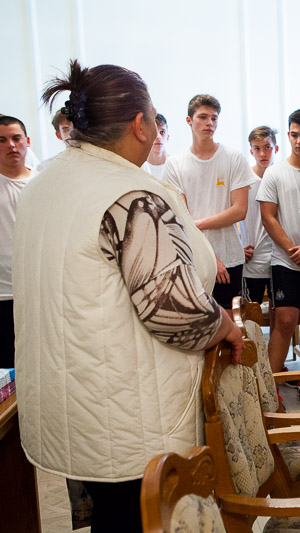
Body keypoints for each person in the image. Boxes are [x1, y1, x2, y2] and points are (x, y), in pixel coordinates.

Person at [14, 59, 243, 533]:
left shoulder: (42, 185)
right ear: (141, 125)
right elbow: (177, 315)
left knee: (111, 514)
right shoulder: (130, 195)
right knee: (136, 518)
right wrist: (225, 325)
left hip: (71, 401)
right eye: (154, 118)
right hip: (127, 416)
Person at [161, 94, 254, 312]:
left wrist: (197, 224)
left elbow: (239, 210)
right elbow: (181, 217)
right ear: (189, 120)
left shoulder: (234, 158)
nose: (209, 123)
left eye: (214, 118)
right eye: (203, 117)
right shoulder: (175, 164)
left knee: (229, 320)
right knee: (197, 319)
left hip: (230, 259)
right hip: (192, 258)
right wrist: (211, 258)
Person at [257, 110, 300, 403]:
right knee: (285, 320)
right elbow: (268, 217)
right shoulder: (275, 173)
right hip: (284, 259)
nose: (299, 141)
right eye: (294, 135)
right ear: (288, 136)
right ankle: (272, 387)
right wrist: (292, 249)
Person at [0, 116, 36, 368]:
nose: (11, 145)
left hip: (38, 292)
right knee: (8, 368)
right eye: (2, 140)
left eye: (16, 138)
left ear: (27, 141)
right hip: (3, 295)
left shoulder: (43, 183)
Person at [241, 126, 276, 307]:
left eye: (267, 147)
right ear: (251, 151)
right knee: (250, 316)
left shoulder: (281, 177)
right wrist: (237, 248)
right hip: (251, 262)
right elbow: (231, 216)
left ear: (276, 148)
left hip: (279, 260)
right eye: (257, 148)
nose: (263, 153)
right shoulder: (244, 181)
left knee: (281, 315)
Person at [142, 113, 169, 179]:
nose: (158, 137)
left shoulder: (176, 165)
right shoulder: (140, 166)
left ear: (168, 137)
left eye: (162, 132)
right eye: (153, 132)